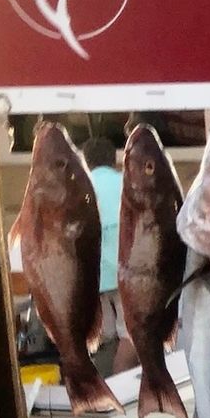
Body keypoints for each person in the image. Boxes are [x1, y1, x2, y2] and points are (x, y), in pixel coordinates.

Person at [82, 135, 136, 373]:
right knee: (131, 336)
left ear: (86, 161)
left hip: (94, 280)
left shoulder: (81, 188)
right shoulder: (127, 184)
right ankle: (118, 387)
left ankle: (104, 387)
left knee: (104, 338)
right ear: (115, 159)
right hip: (126, 275)